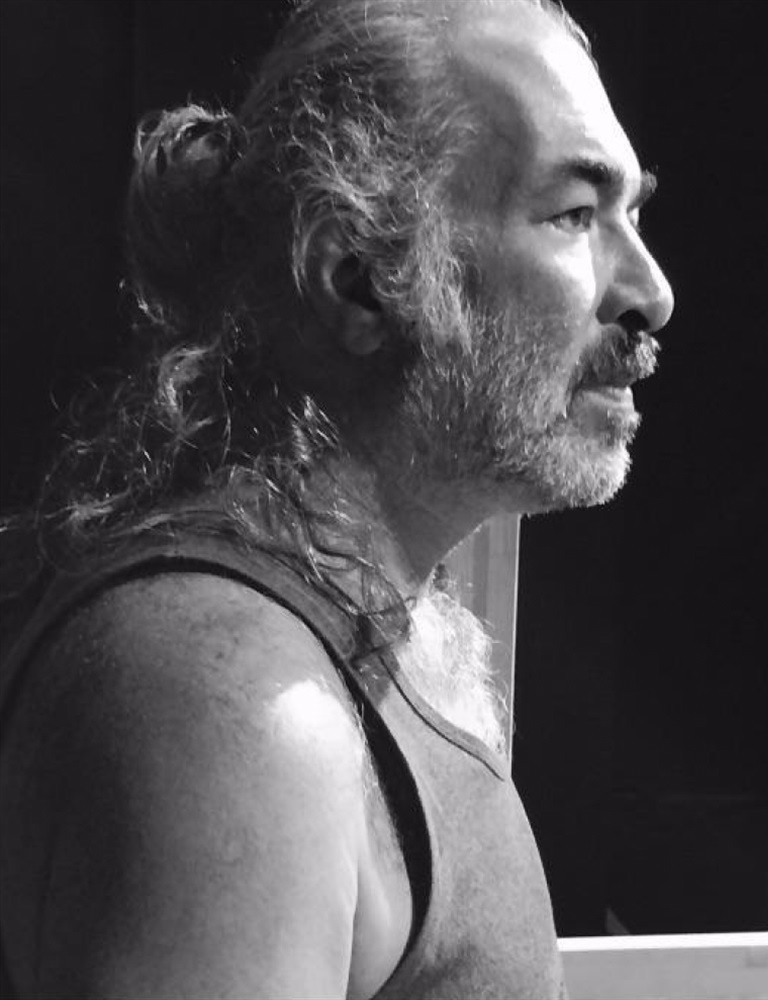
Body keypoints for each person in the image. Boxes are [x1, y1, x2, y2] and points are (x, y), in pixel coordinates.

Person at [0, 0, 673, 996]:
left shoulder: (386, 627)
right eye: (574, 214)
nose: (651, 292)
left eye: (633, 214)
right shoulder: (236, 704)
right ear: (358, 277)